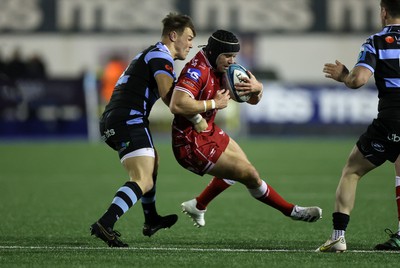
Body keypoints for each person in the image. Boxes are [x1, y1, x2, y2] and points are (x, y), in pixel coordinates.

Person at [169, 29, 322, 230]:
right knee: (249, 173)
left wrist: (258, 89)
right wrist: (214, 103)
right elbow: (177, 105)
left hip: (208, 131)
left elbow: (252, 100)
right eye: (228, 56)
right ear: (215, 53)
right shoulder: (196, 71)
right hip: (189, 142)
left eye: (234, 56)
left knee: (244, 169)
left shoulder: (224, 68)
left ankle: (198, 205)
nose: (232, 61)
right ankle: (292, 211)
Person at [90, 12, 196, 247]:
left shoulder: (151, 53)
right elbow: (172, 100)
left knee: (152, 162)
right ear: (173, 35)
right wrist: (206, 106)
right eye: (188, 38)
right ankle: (106, 223)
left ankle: (151, 220)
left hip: (116, 119)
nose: (191, 44)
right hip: (129, 119)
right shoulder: (161, 56)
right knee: (142, 179)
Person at [316, 0, 400, 252]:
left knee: (352, 171)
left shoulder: (375, 41)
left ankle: (338, 237)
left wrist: (343, 75)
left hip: (391, 117)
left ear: (383, 12)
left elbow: (358, 80)